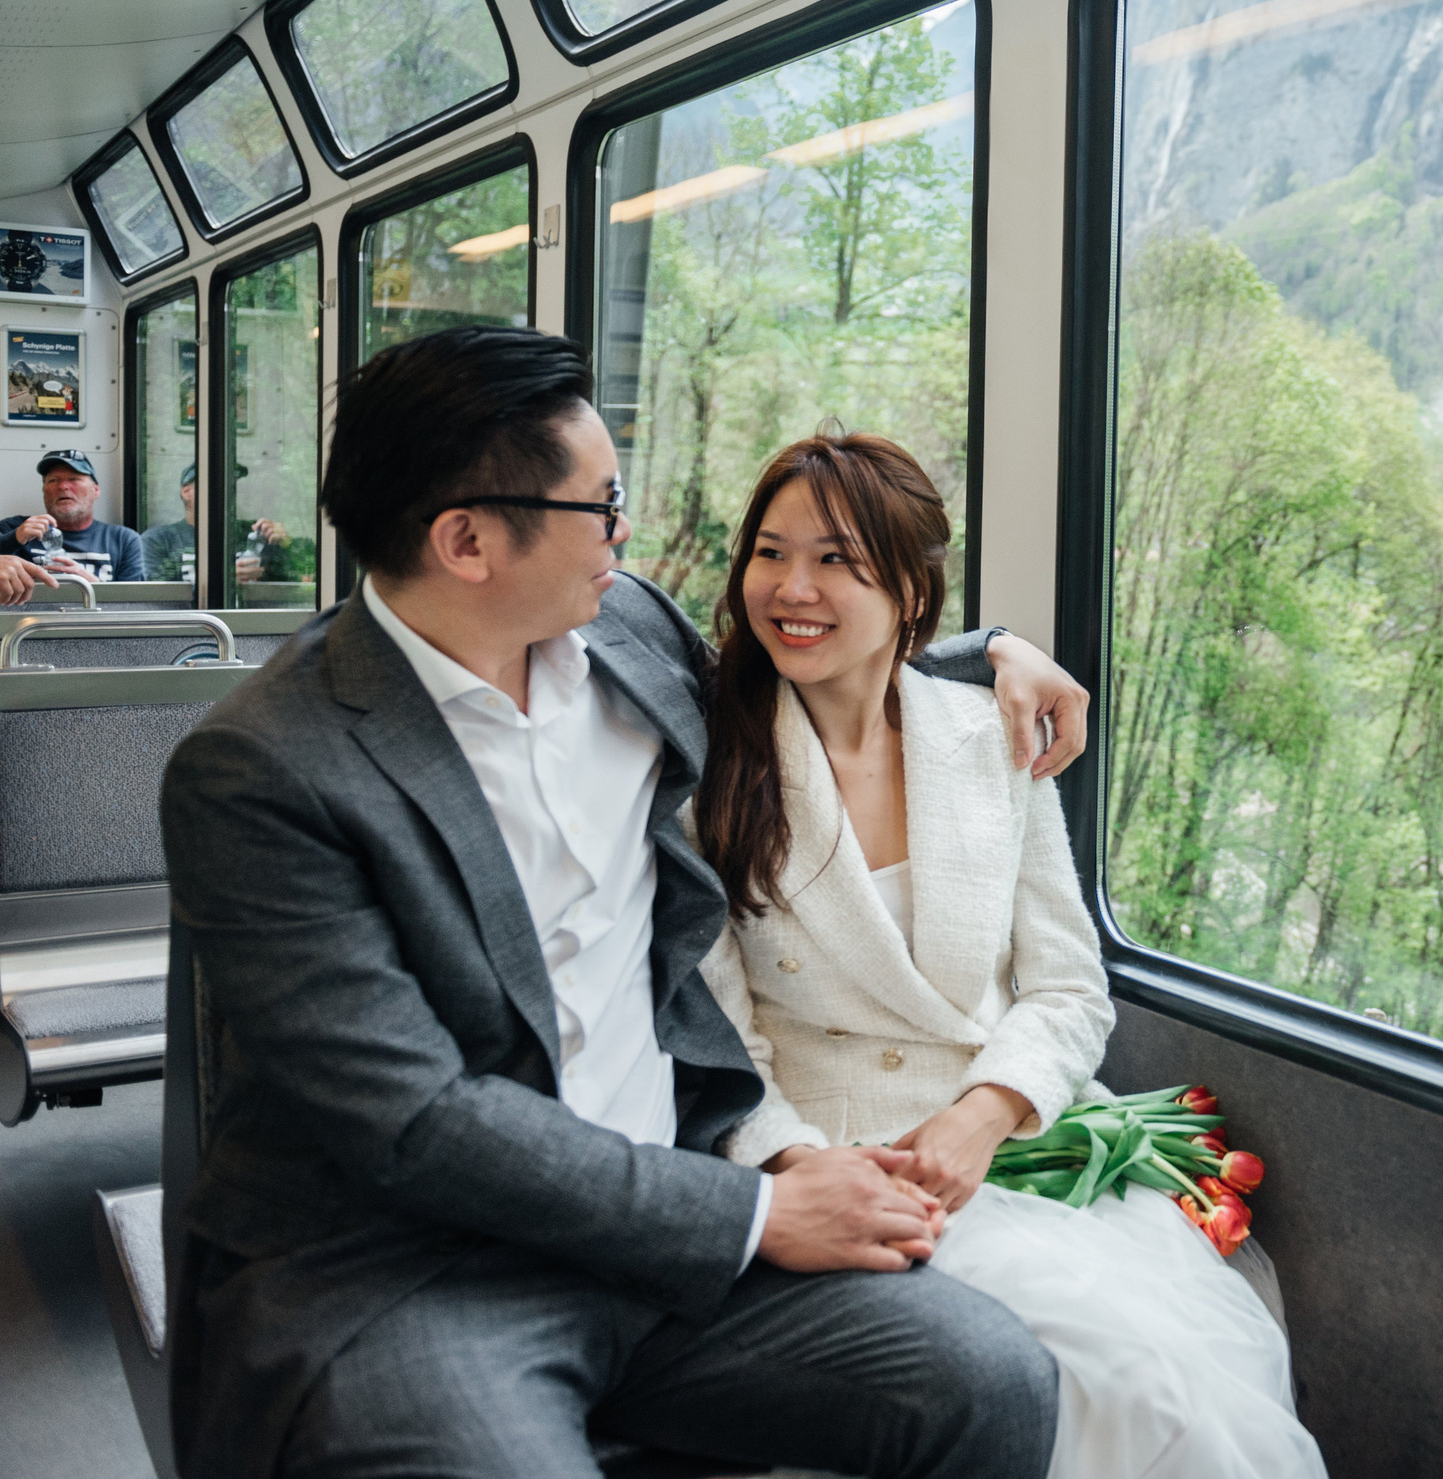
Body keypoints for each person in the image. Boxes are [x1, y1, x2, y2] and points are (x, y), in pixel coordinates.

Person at [160, 326, 1094, 1479]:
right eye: (601, 507)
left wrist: (1001, 649)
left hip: (675, 1238)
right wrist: (752, 1216)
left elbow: (811, 653)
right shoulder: (266, 768)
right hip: (423, 1268)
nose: (627, 533)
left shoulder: (628, 633)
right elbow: (411, 1120)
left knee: (988, 1379)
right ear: (466, 539)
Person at [696, 433, 1326, 1479]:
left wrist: (983, 1114)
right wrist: (808, 1169)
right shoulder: (706, 763)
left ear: (908, 588)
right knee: (1120, 1383)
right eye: (770, 552)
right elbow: (716, 1037)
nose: (792, 587)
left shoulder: (989, 735)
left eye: (838, 560)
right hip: (843, 1169)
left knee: (1184, 1385)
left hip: (1004, 1147)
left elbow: (1071, 984)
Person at [1, 448, 145, 581]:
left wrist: (90, 584)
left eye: (74, 479)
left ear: (95, 490)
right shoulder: (15, 528)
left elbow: (135, 603)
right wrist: (13, 539)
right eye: (53, 480)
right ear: (44, 491)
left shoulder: (123, 539)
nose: (63, 486)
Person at [141, 462, 292, 585]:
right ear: (186, 492)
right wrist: (224, 582)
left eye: (230, 485)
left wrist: (285, 545)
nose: (225, 491)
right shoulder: (159, 540)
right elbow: (155, 600)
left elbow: (298, 585)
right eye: (213, 483)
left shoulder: (254, 533)